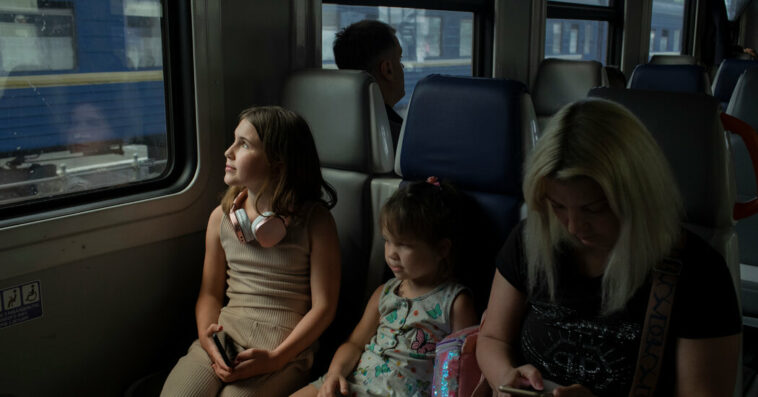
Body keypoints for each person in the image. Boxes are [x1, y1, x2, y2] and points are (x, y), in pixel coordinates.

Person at [476, 99, 742, 397]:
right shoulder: (530, 240)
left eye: (594, 209)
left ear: (637, 198)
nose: (574, 226)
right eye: (558, 206)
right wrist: (505, 377)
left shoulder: (698, 273)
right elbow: (493, 338)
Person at [161, 106, 341, 397]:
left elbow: (324, 308)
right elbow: (209, 293)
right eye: (234, 141)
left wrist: (278, 358)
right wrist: (208, 340)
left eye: (243, 144)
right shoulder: (220, 219)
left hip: (284, 349)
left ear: (278, 164)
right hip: (226, 337)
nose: (228, 152)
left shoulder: (315, 222)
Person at [291, 178, 478, 397]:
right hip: (351, 383)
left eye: (404, 245)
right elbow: (355, 344)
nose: (391, 253)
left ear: (441, 249)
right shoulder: (385, 292)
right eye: (388, 241)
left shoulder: (455, 303)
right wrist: (334, 373)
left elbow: (464, 368)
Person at [333, 20, 405, 149]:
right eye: (400, 59)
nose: (403, 67)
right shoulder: (402, 141)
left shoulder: (333, 125)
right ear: (388, 69)